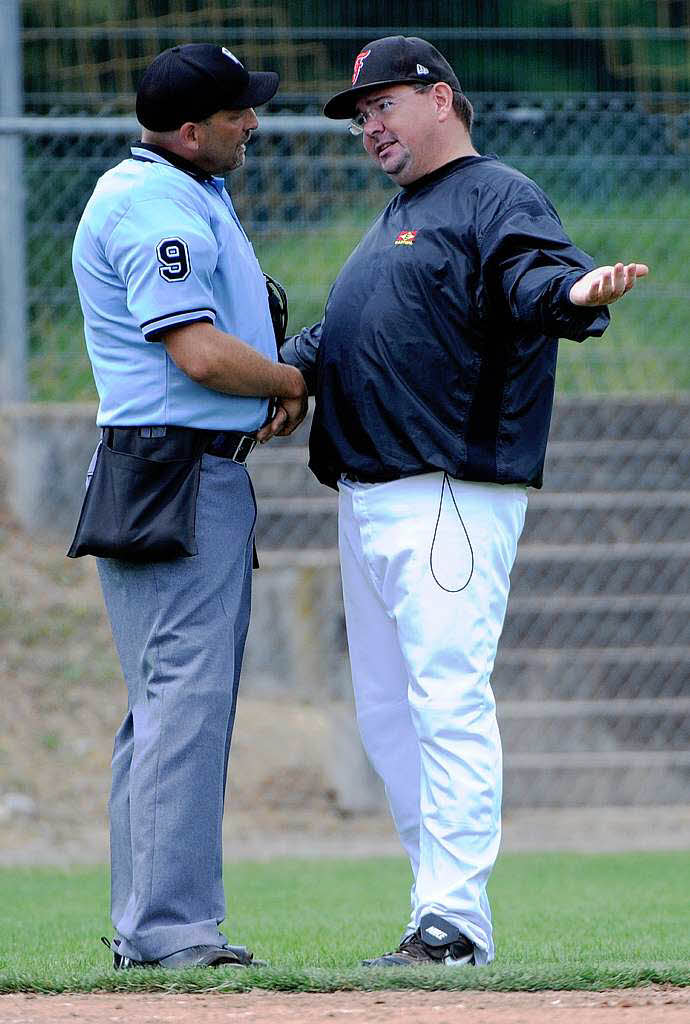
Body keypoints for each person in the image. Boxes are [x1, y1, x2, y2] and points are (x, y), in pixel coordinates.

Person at [281, 35, 648, 967]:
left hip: (446, 493)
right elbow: (347, 332)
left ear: (440, 98)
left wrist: (574, 289)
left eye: (383, 105)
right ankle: (434, 907)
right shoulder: (399, 217)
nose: (369, 125)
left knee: (445, 701)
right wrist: (276, 370)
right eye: (360, 115)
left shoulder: (495, 193)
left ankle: (456, 919)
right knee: (386, 714)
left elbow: (534, 279)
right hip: (371, 495)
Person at [70, 43, 307, 969]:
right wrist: (288, 378)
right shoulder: (149, 204)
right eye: (239, 112)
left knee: (166, 706)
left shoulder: (186, 189)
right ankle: (169, 933)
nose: (253, 121)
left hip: (180, 466)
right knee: (184, 705)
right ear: (190, 129)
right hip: (173, 470)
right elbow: (200, 355)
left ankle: (148, 930)